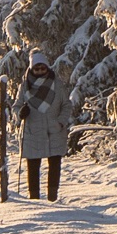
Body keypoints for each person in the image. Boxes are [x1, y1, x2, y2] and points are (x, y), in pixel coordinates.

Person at [15, 54, 72, 203]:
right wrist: (20, 113)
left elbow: (66, 105)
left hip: (54, 131)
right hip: (33, 132)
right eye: (36, 68)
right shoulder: (25, 86)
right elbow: (16, 106)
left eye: (42, 67)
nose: (40, 70)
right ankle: (34, 200)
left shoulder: (57, 84)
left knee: (55, 165)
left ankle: (52, 198)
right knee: (33, 167)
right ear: (31, 68)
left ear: (47, 67)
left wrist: (61, 122)